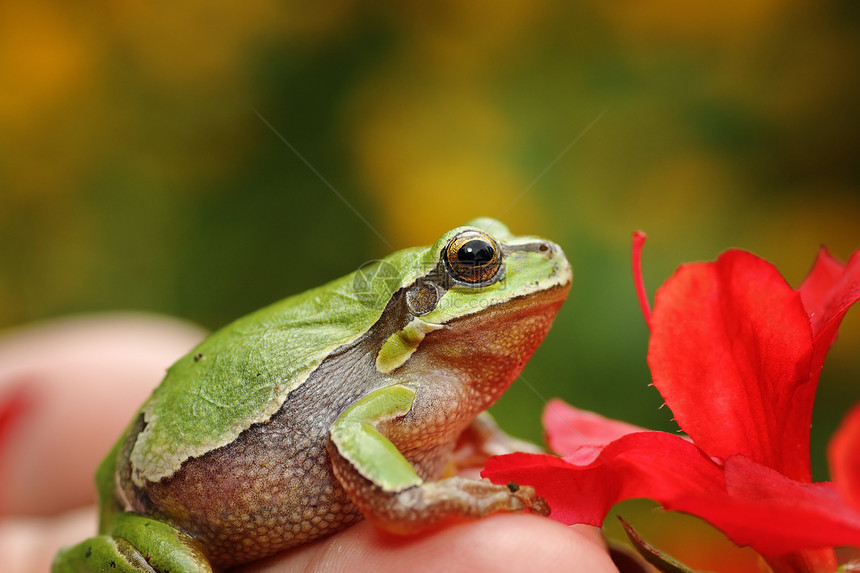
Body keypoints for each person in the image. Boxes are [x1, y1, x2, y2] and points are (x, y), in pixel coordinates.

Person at [0, 314, 618, 572]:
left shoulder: (422, 382)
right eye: (478, 262)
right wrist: (422, 500)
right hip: (158, 518)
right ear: (416, 307)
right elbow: (351, 433)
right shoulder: (390, 384)